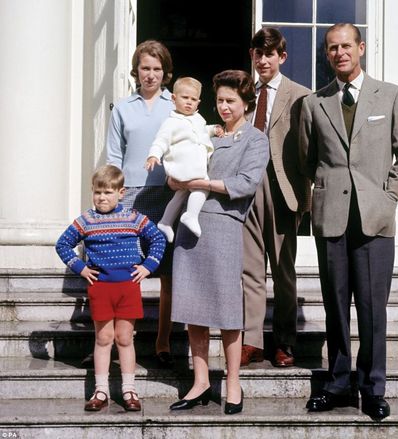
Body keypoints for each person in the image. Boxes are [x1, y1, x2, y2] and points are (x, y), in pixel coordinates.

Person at [299, 23, 398, 420]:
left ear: (361, 48)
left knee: (371, 310)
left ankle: (372, 387)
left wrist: (388, 200)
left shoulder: (392, 96)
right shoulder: (315, 104)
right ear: (327, 54)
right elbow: (307, 157)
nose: (339, 53)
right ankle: (337, 383)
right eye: (332, 48)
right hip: (331, 217)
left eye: (346, 45)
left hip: (375, 221)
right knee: (335, 306)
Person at [168, 70, 269, 415]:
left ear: (246, 104)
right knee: (193, 307)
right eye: (220, 100)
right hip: (189, 227)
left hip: (225, 225)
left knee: (227, 310)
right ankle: (200, 382)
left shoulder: (255, 140)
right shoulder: (203, 131)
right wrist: (176, 177)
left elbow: (245, 182)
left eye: (230, 101)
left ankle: (234, 382)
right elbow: (178, 160)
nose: (223, 107)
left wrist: (205, 182)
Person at [55, 165, 166, 411]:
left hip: (128, 286)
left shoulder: (133, 217)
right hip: (100, 287)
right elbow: (62, 244)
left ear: (121, 192)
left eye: (107, 192)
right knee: (104, 338)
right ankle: (101, 390)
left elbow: (157, 239)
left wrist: (148, 265)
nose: (102, 197)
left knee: (125, 338)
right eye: (97, 192)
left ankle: (129, 390)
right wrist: (80, 268)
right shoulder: (86, 220)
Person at [241, 27, 311, 368]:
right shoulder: (243, 94)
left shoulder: (300, 95)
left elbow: (310, 148)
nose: (263, 60)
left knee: (284, 270)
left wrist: (307, 188)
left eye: (269, 54)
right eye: (258, 53)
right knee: (250, 269)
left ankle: (284, 342)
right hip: (246, 189)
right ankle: (252, 340)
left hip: (283, 190)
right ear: (252, 56)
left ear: (281, 57)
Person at [107, 40, 176, 368]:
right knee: (123, 271)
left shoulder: (176, 106)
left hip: (166, 194)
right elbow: (113, 157)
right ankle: (120, 339)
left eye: (156, 69)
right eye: (145, 68)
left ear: (165, 73)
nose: (150, 75)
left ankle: (163, 342)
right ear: (136, 71)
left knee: (166, 272)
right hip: (130, 196)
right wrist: (115, 200)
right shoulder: (122, 108)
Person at [146, 77, 223, 242]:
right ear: (174, 99)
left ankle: (166, 221)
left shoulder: (198, 119)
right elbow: (161, 140)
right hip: (184, 165)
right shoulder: (171, 122)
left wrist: (213, 129)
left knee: (181, 194)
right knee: (203, 187)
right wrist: (154, 154)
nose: (189, 102)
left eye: (193, 99)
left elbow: (201, 131)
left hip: (190, 166)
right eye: (185, 98)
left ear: (198, 102)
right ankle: (191, 215)